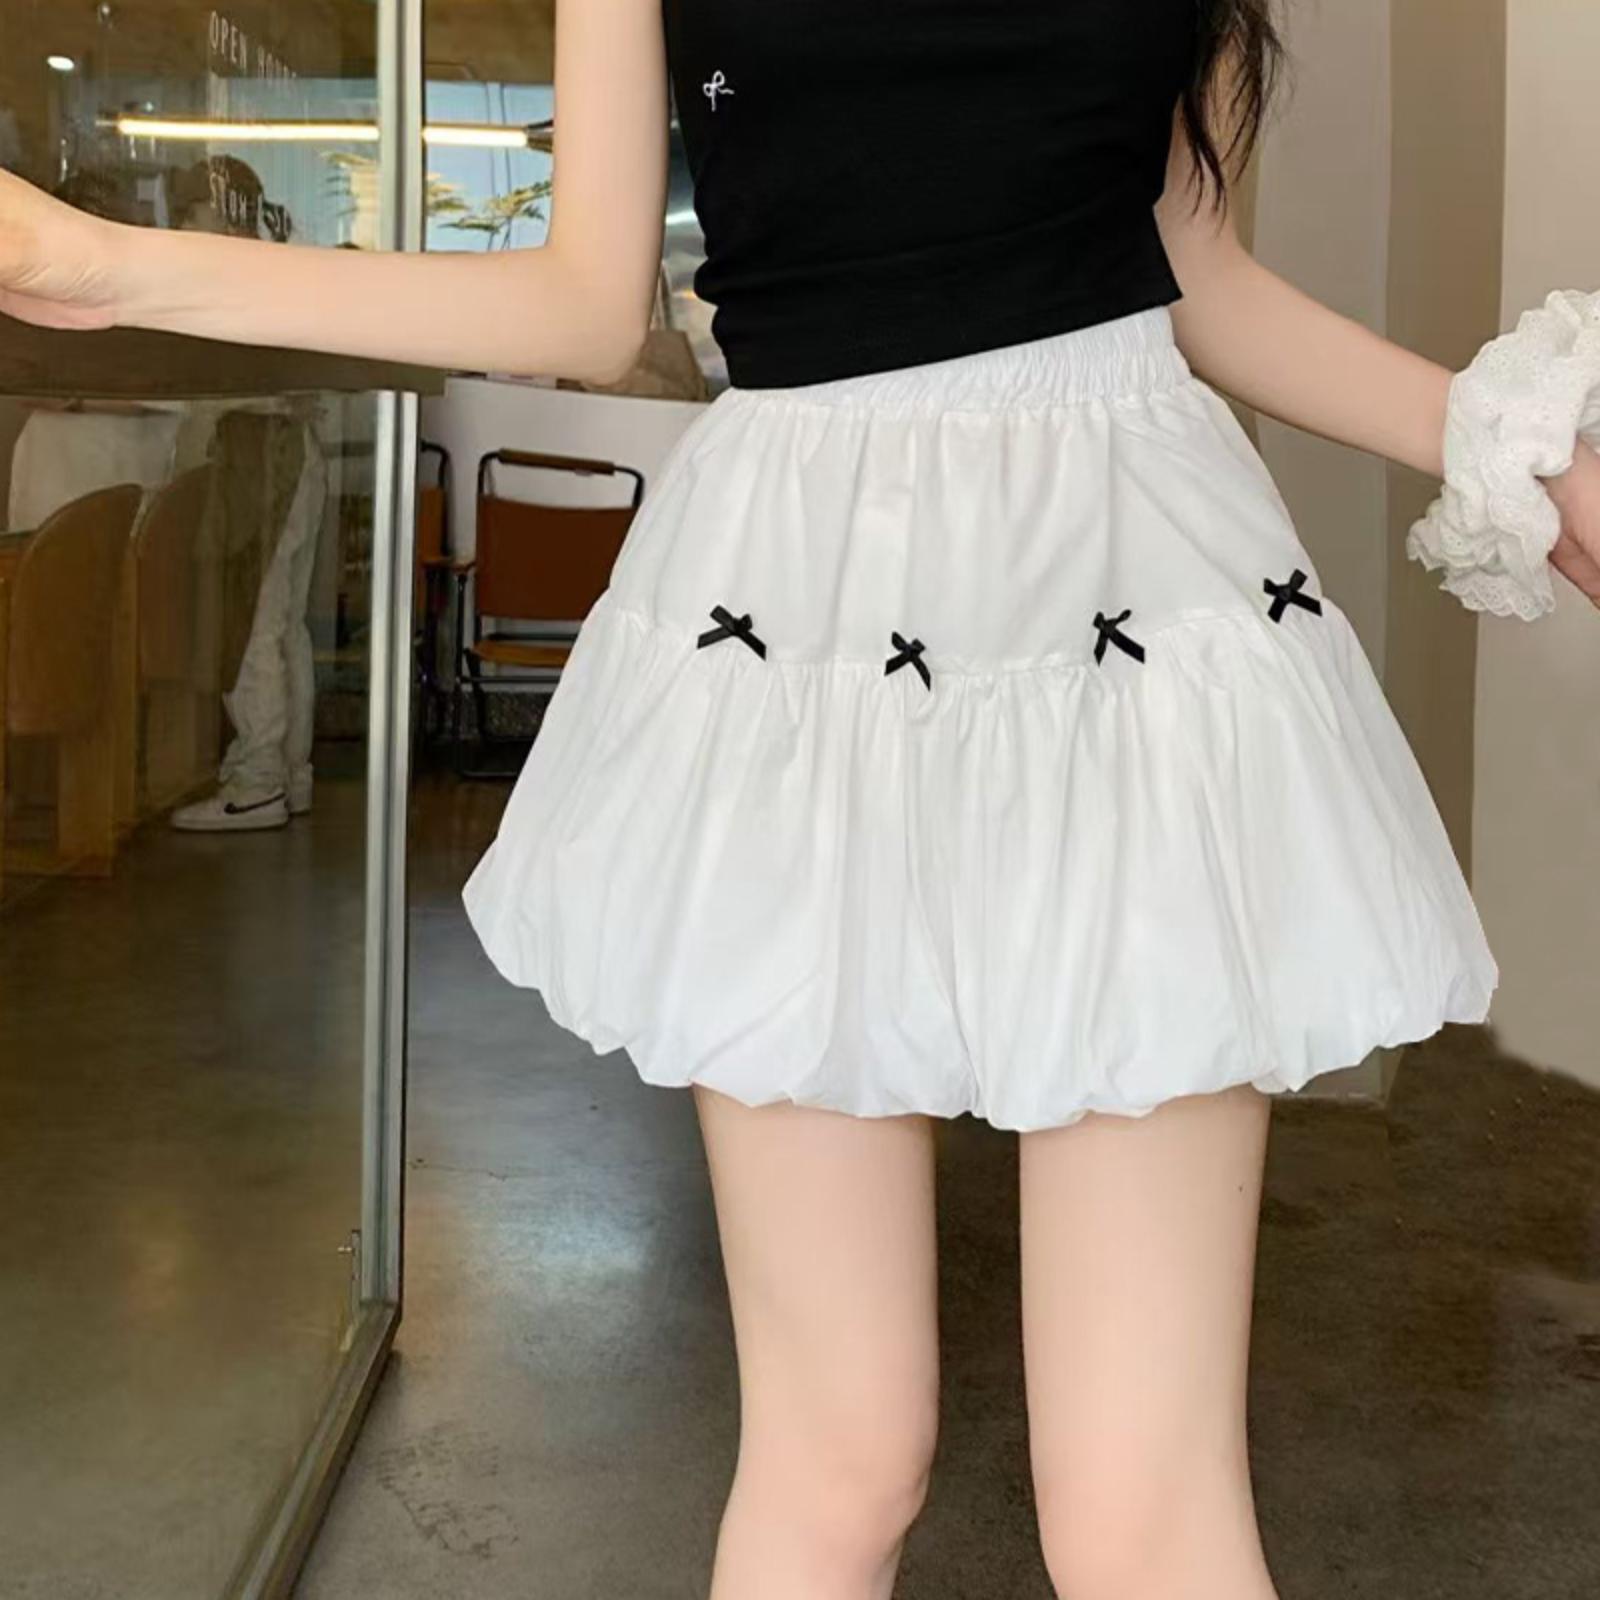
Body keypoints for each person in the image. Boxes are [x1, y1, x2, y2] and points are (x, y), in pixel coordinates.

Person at [3, 4, 1596, 1595]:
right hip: (803, 614)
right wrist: (105, 265)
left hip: (1132, 608)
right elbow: (580, 301)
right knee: (841, 1455)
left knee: (1144, 1504)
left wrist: (1518, 454)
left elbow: (1198, 275)